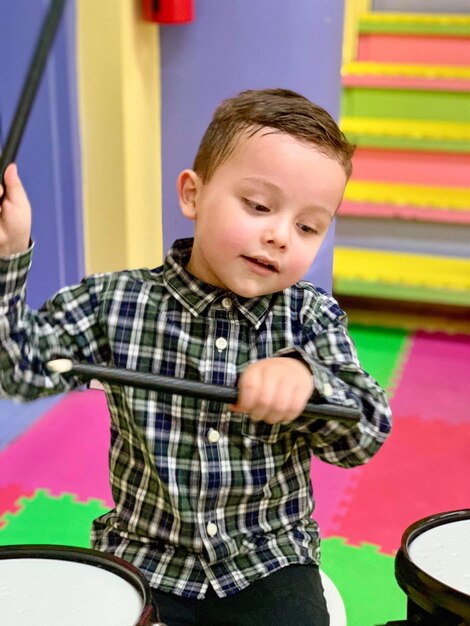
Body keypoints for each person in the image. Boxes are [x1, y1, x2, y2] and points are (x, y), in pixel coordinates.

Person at [0, 88, 392, 625]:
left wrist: (310, 382)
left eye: (308, 227)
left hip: (270, 561)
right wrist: (7, 254)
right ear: (192, 195)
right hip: (146, 558)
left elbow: (366, 432)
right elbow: (17, 370)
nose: (280, 235)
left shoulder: (311, 317)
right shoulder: (115, 303)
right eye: (258, 206)